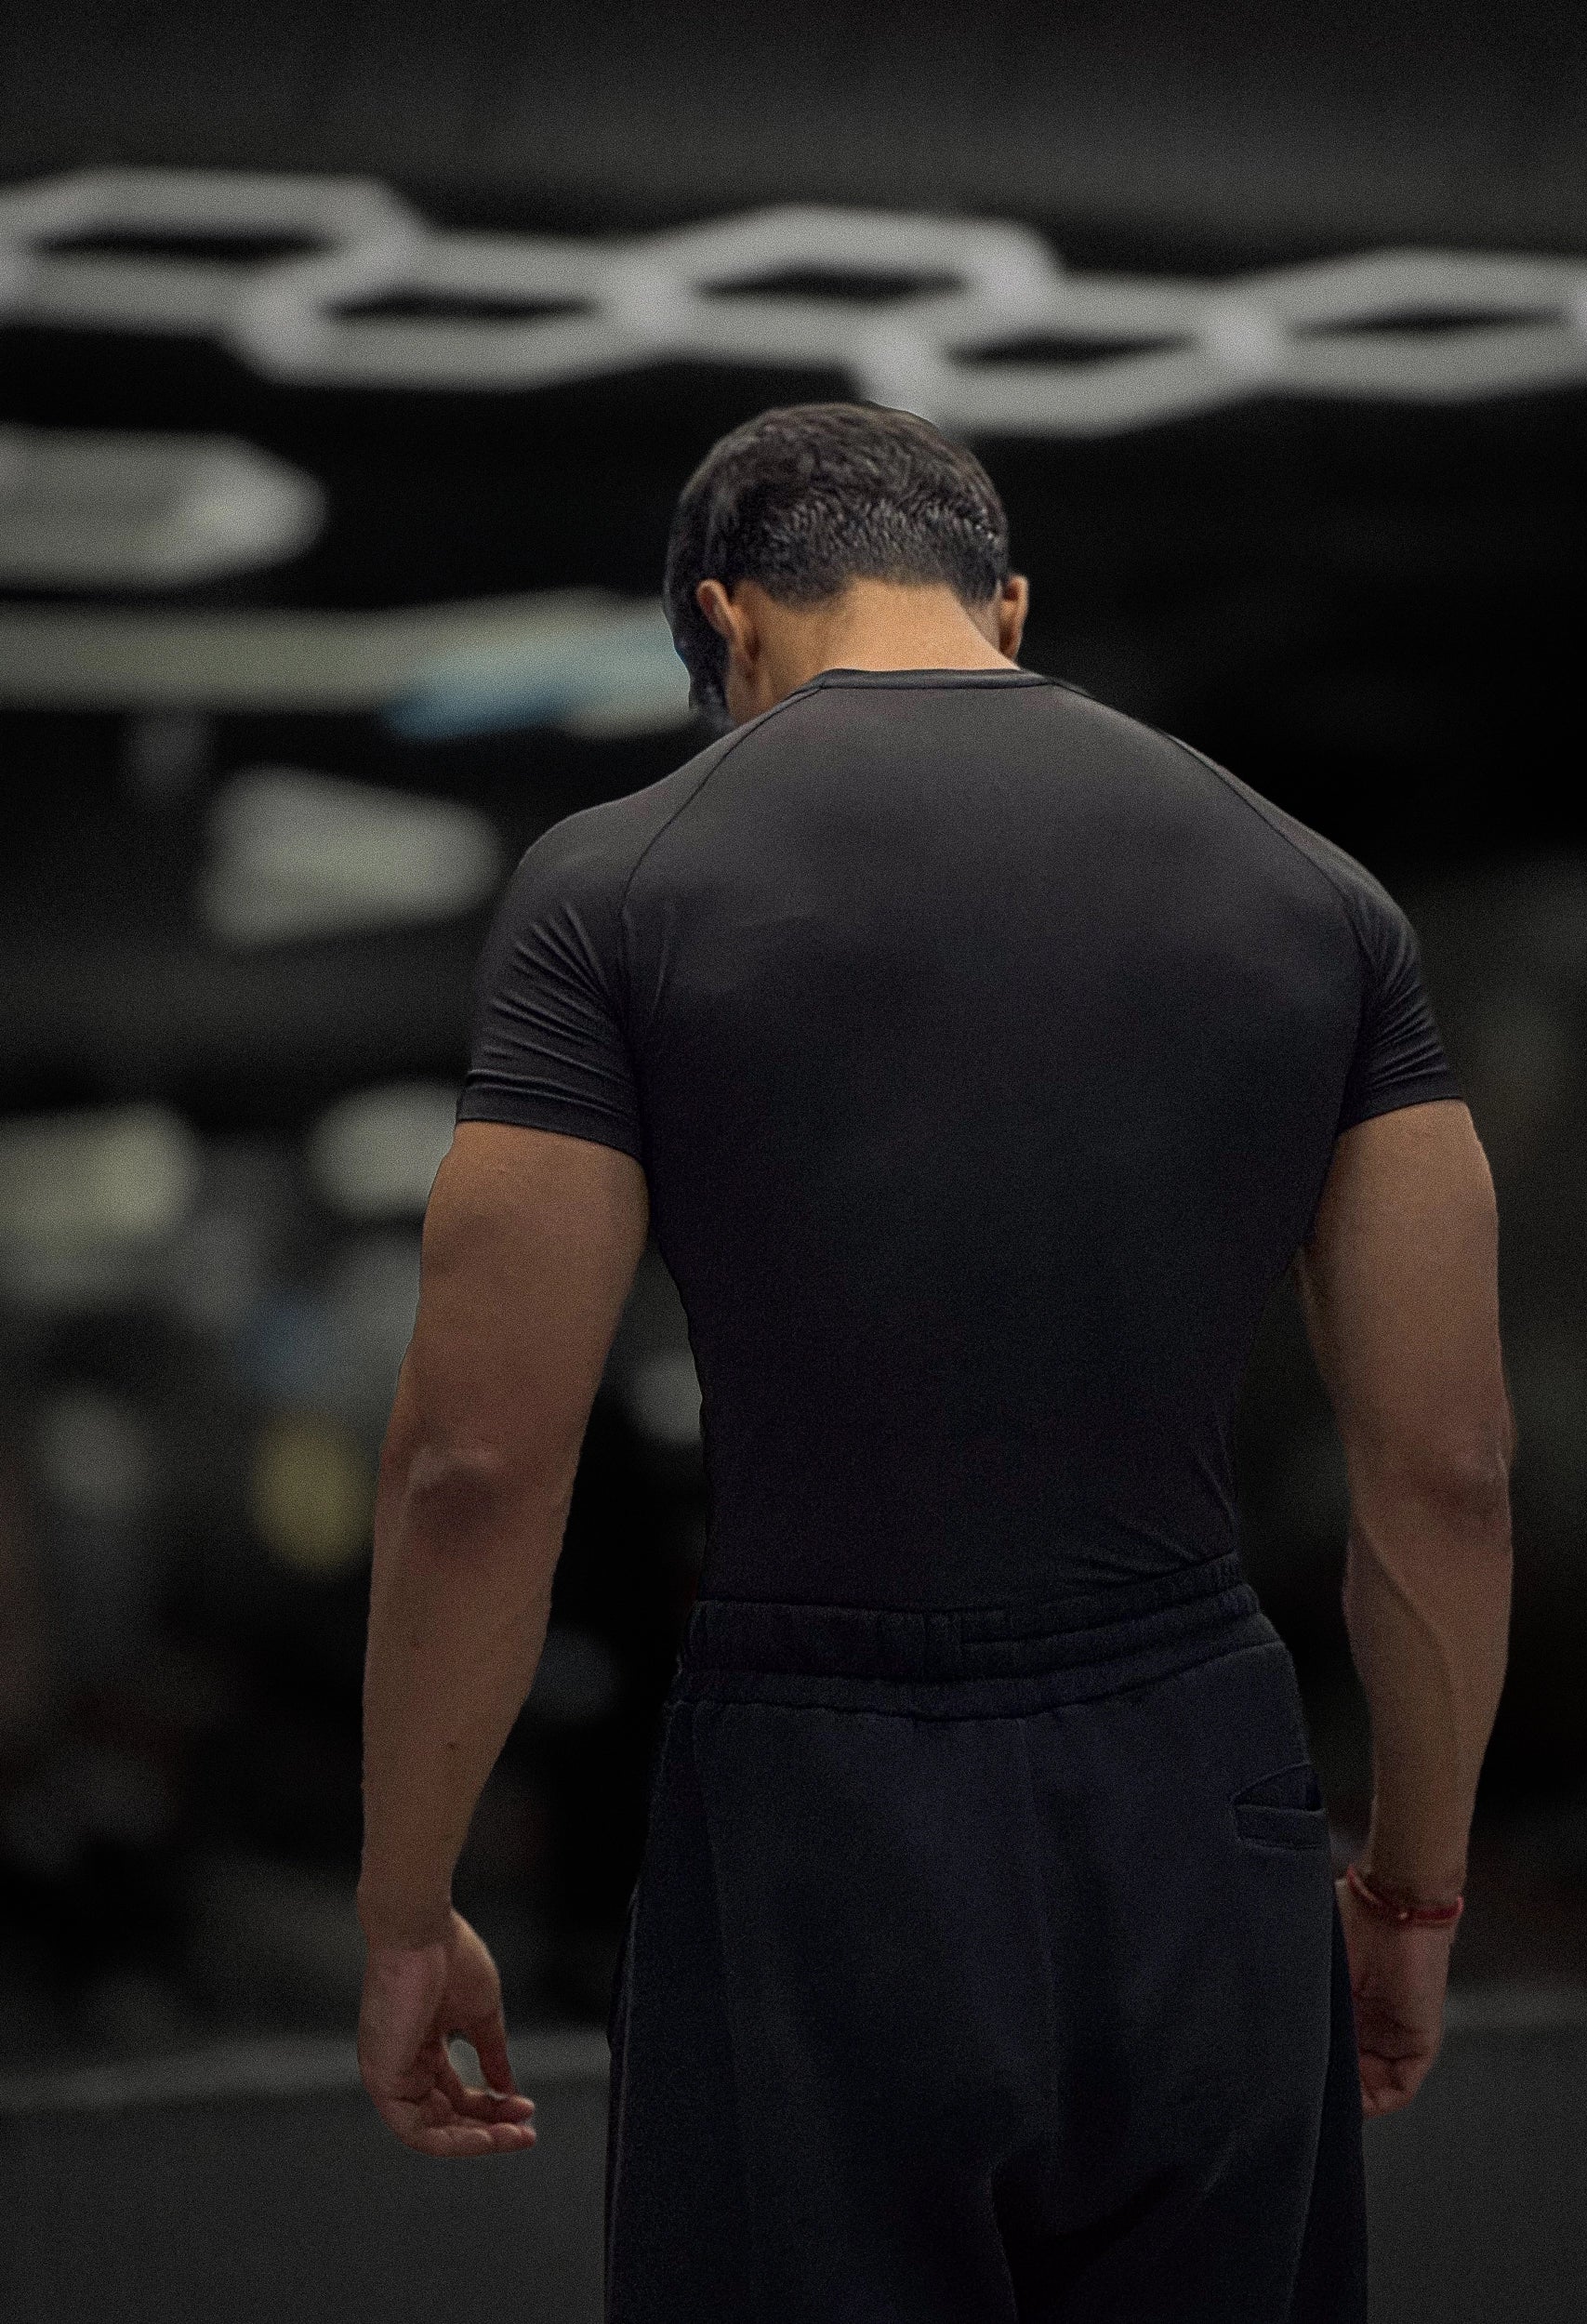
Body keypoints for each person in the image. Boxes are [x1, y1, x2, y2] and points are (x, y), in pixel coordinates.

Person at [355, 403, 1514, 2322]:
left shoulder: (611, 892)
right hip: (1204, 1797)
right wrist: (1410, 1890)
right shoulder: (1320, 896)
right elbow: (1450, 1466)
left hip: (823, 1804)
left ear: (724, 624)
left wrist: (409, 1907)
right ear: (1007, 605)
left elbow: (473, 1464)